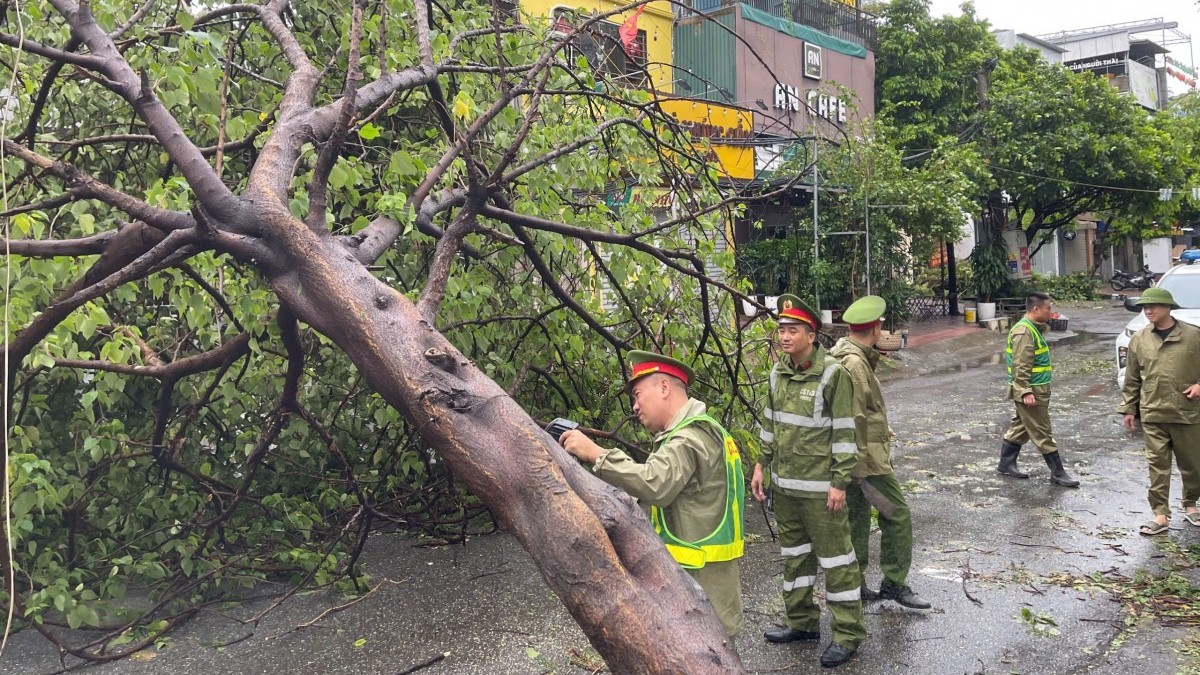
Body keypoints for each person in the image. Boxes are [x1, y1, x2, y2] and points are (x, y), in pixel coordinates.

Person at [559, 350, 746, 637]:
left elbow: (655, 484)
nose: (634, 406)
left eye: (637, 394)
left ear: (663, 387)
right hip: (709, 581)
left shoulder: (688, 437)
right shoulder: (704, 431)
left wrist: (596, 454)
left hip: (699, 582)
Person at [751, 295, 866, 668]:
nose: (784, 336)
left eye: (792, 330)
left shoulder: (833, 374)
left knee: (837, 562)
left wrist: (839, 481)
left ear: (811, 335)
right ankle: (801, 623)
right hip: (785, 490)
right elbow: (769, 424)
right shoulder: (777, 373)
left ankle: (848, 634)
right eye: (781, 330)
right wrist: (759, 465)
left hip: (822, 492)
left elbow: (846, 432)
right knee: (795, 561)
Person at [829, 295, 931, 610]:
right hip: (865, 465)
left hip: (853, 462)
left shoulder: (844, 355)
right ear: (874, 328)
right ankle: (894, 583)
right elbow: (854, 419)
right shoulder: (856, 365)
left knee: (857, 519)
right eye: (881, 327)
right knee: (896, 514)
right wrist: (852, 471)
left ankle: (855, 583)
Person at [1116, 287, 1200, 536]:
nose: (1148, 311)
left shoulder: (1193, 336)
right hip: (1153, 413)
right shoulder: (1140, 339)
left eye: (1153, 306)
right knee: (1157, 466)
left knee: (1193, 464)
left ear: (1168, 308)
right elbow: (1132, 378)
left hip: (1187, 412)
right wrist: (1129, 408)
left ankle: (1191, 505)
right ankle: (1160, 514)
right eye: (1145, 307)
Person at [996, 291, 1079, 487]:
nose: (1051, 312)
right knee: (1042, 431)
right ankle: (1058, 472)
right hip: (1032, 391)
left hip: (1038, 389)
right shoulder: (1024, 332)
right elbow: (1020, 365)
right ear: (1035, 309)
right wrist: (1025, 391)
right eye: (1048, 308)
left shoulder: (1032, 328)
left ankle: (1006, 464)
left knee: (1022, 426)